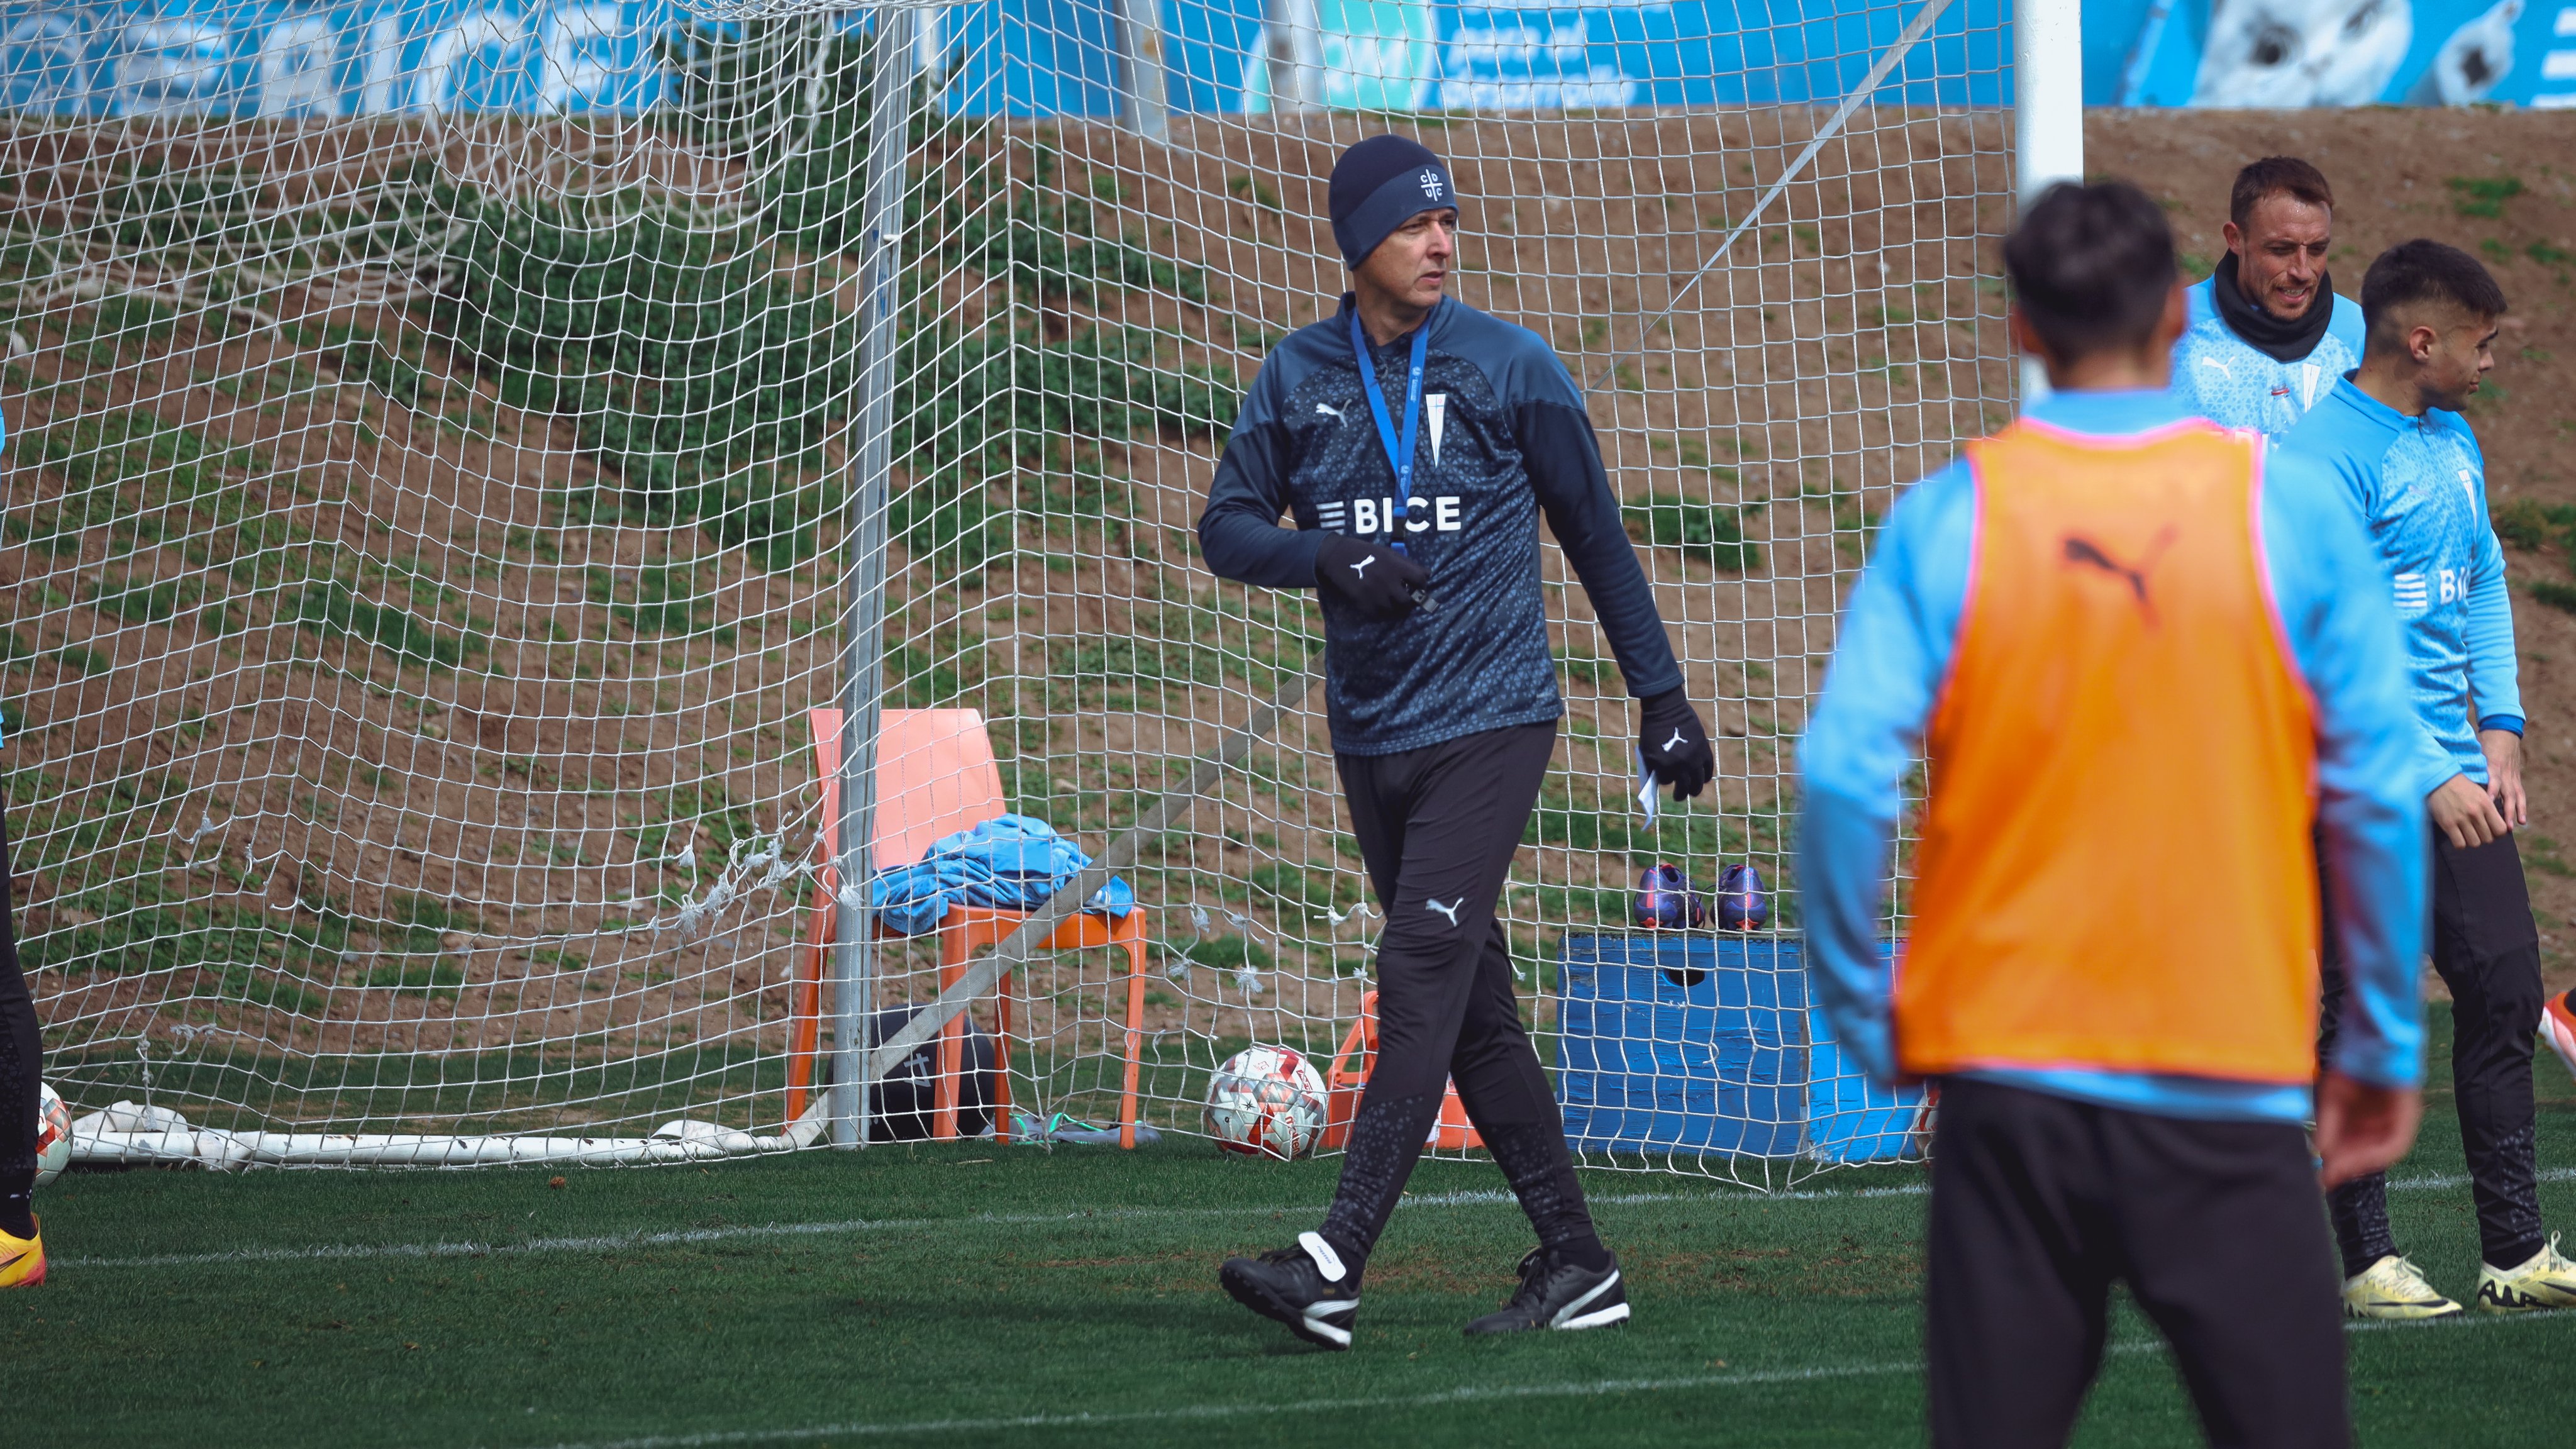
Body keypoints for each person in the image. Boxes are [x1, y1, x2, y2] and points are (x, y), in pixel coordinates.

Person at [1801, 180, 2427, 1448]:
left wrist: (1865, 1003)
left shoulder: (1951, 517)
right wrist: (2373, 1034)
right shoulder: (2284, 510)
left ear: (2020, 326)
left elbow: (1836, 775)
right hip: (2224, 1080)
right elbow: (2371, 788)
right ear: (2171, 313)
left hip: (2010, 1092)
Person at [1196, 134, 1714, 1349]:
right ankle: (1579, 1260)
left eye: (1448, 223)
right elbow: (1223, 528)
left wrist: (1662, 696)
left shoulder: (1508, 365)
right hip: (1370, 734)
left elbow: (1595, 535)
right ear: (1357, 243)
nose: (1441, 242)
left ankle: (1333, 1258)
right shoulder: (1299, 375)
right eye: (1414, 225)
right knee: (1474, 1010)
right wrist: (1325, 554)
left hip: (1492, 719)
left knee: (1418, 974)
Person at [2275, 239, 2576, 1318]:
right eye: (2482, 342)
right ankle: (2365, 1260)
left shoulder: (2453, 440)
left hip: (2453, 769)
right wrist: (2420, 769)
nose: (2491, 360)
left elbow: (2484, 572)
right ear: (2422, 340)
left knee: (2499, 985)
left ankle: (2515, 1249)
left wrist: (2499, 727)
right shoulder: (2315, 462)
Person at [2171, 157, 2365, 436]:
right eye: (2281, 250)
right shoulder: (2172, 328)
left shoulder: (2360, 337)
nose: (2303, 271)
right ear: (2235, 239)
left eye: (2317, 250)